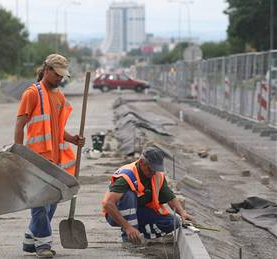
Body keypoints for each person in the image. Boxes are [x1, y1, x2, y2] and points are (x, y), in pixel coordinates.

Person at [14, 54, 84, 258]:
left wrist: (73, 139)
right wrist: (18, 153)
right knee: (38, 201)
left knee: (52, 200)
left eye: (63, 75)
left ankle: (30, 240)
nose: (60, 79)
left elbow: (57, 129)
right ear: (47, 70)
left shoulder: (59, 96)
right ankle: (43, 245)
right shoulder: (32, 94)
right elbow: (20, 125)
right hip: (35, 158)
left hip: (55, 159)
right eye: (58, 74)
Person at [101, 147, 194, 246]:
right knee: (129, 195)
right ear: (141, 162)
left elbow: (170, 198)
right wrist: (127, 227)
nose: (153, 173)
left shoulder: (157, 175)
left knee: (174, 222)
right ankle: (129, 240)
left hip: (139, 212)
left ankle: (142, 236)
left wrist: (182, 213)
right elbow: (108, 204)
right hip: (115, 214)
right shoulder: (127, 176)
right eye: (151, 169)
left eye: (156, 169)